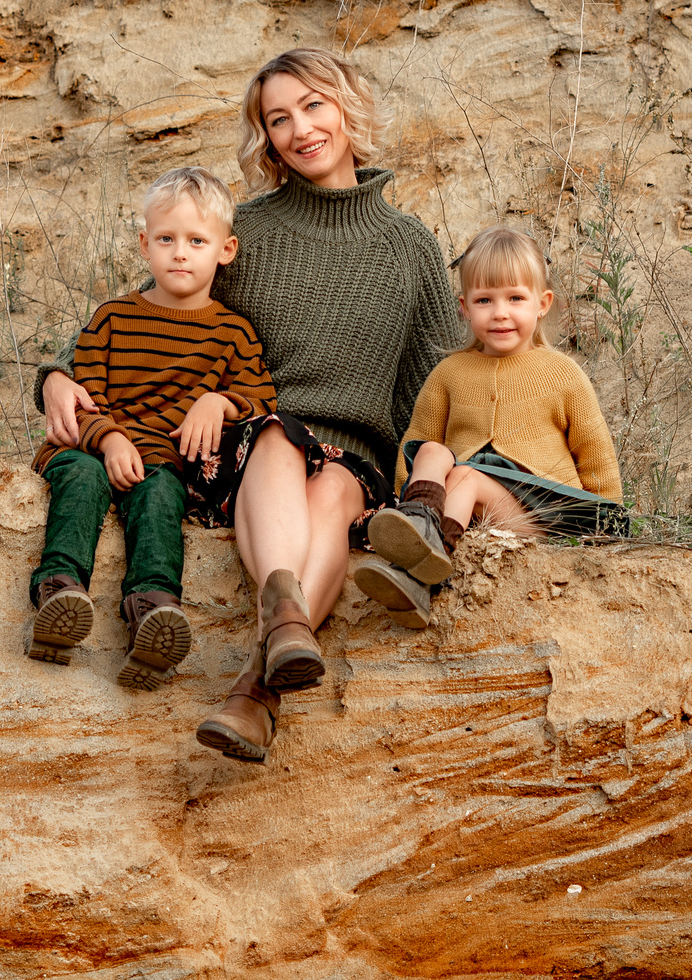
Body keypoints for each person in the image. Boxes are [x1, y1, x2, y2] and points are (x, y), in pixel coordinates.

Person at [39, 49, 466, 762]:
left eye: (313, 106)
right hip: (248, 444)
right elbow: (152, 309)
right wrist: (55, 376)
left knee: (334, 488)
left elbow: (441, 390)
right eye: (278, 118)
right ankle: (282, 615)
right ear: (265, 137)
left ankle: (259, 684)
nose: (300, 128)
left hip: (354, 459)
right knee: (278, 437)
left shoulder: (410, 248)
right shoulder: (251, 233)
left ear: (346, 106)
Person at [27, 167, 275, 690]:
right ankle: (59, 592)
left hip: (161, 460)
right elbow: (83, 400)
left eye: (196, 241)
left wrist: (218, 401)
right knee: (81, 480)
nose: (179, 253)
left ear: (225, 250)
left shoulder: (233, 332)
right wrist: (111, 439)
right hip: (89, 448)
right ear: (145, 244)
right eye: (166, 239)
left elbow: (261, 403)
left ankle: (152, 611)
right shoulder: (113, 318)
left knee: (162, 495)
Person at [353, 225, 624, 628]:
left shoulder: (562, 374)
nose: (500, 312)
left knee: (464, 476)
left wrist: (608, 522)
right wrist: (401, 493)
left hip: (543, 516)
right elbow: (414, 441)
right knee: (429, 450)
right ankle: (417, 531)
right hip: (467, 511)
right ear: (464, 307)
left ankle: (420, 564)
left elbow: (595, 452)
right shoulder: (449, 373)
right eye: (485, 300)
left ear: (542, 303)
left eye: (515, 298)